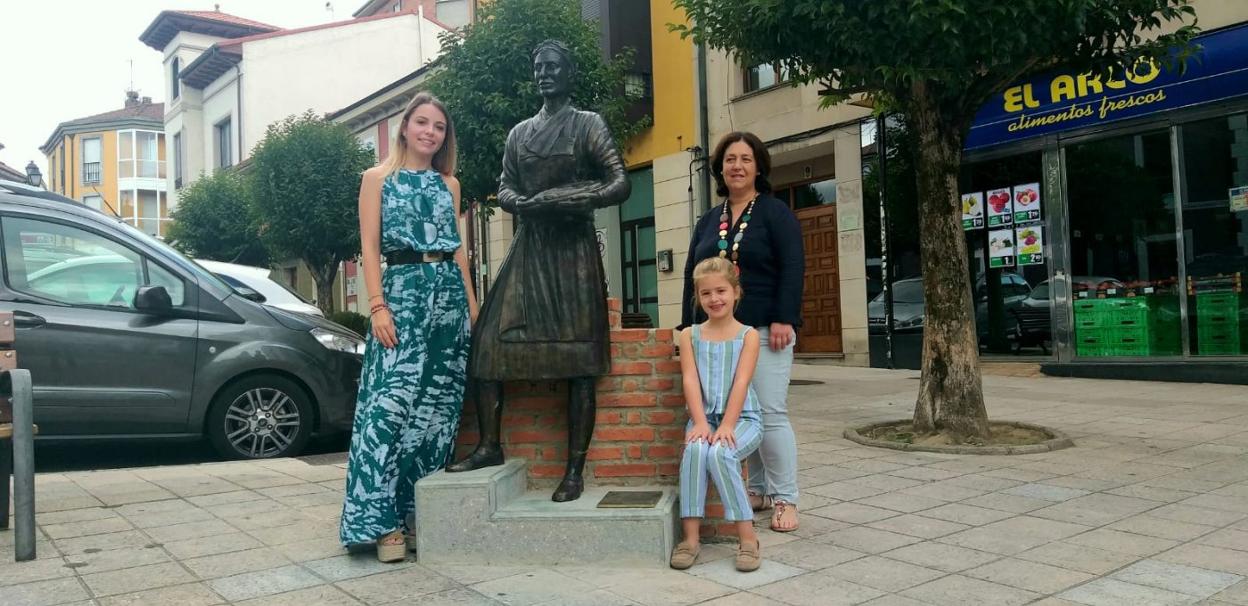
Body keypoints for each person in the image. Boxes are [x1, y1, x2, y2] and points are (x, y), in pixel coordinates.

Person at [447, 40, 631, 503]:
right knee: (487, 345)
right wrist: (520, 202)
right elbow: (505, 186)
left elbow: (618, 183)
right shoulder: (519, 134)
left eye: (552, 66)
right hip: (530, 246)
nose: (544, 73)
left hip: (573, 251)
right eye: (538, 67)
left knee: (580, 362)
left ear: (569, 73)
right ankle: (489, 445)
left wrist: (567, 197)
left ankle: (574, 469)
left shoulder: (588, 124)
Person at [340, 92, 478, 562]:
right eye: (422, 122)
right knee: (388, 408)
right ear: (405, 126)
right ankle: (382, 524)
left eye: (439, 127)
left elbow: (457, 250)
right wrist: (377, 306)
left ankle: (416, 514)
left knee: (437, 412)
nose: (430, 132)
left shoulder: (449, 184)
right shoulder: (377, 178)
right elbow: (369, 246)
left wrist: (472, 308)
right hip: (400, 294)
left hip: (447, 299)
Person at [680, 131, 804, 532]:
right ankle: (760, 489)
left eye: (745, 159)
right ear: (720, 169)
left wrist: (785, 316)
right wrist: (688, 327)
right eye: (730, 159)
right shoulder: (708, 220)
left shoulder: (775, 213)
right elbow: (692, 276)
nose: (737, 166)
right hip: (718, 338)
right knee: (737, 413)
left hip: (767, 329)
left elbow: (793, 265)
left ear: (758, 167)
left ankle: (785, 499)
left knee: (769, 413)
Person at [670, 257, 765, 572]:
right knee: (696, 450)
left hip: (743, 418)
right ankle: (690, 539)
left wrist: (727, 424)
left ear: (736, 292)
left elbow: (741, 381)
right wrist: (699, 422)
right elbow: (690, 380)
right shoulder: (690, 335)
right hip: (704, 418)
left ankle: (748, 539)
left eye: (721, 291)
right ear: (698, 297)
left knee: (721, 453)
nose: (715, 299)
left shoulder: (748, 336)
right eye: (706, 293)